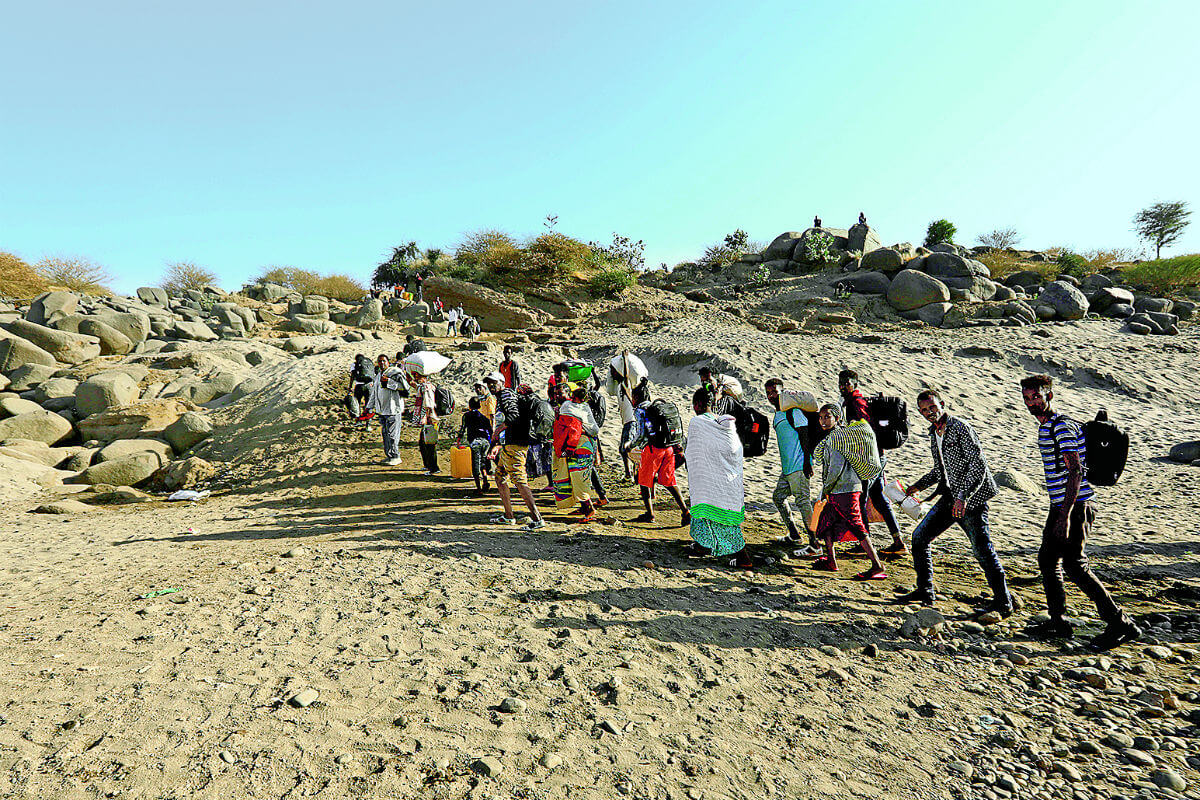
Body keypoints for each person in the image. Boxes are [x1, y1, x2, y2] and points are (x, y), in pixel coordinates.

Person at [1019, 375, 1141, 650]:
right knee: (1048, 560)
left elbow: (1075, 470)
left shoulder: (1061, 427)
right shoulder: (1047, 427)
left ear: (1049, 396)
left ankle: (1121, 624)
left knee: (1075, 564)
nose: (1032, 403)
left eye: (1037, 397)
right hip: (1062, 505)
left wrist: (1064, 516)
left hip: (1074, 506)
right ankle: (1058, 621)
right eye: (1027, 398)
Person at [894, 389, 1014, 616]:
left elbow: (977, 467)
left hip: (972, 499)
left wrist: (963, 497)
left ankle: (1003, 602)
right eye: (924, 410)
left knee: (983, 551)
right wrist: (918, 486)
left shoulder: (960, 428)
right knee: (919, 538)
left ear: (942, 403)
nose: (930, 413)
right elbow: (940, 470)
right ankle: (925, 591)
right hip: (951, 497)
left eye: (932, 407)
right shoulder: (934, 433)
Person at [810, 404, 888, 579]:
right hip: (844, 489)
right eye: (821, 417)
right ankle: (831, 561)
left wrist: (826, 489)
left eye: (827, 417)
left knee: (857, 526)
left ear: (837, 418)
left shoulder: (836, 439)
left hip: (843, 490)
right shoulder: (843, 437)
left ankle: (877, 565)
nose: (823, 421)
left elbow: (835, 468)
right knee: (826, 522)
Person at [839, 369, 906, 556]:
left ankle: (864, 543)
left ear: (855, 384)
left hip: (869, 459)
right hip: (878, 456)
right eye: (841, 383)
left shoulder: (856, 403)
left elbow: (866, 430)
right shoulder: (855, 402)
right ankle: (898, 541)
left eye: (847, 383)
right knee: (879, 498)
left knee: (861, 499)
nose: (843, 386)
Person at [685, 388, 752, 569]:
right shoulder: (721, 424)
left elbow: (694, 452)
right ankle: (702, 546)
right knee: (706, 515)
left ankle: (742, 557)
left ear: (697, 404)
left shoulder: (697, 422)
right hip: (728, 480)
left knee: (721, 519)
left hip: (711, 482)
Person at [484, 371, 545, 530]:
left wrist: (497, 432)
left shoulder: (505, 395)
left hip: (516, 445)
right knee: (499, 476)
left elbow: (514, 416)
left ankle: (537, 518)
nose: (490, 386)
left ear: (501, 382)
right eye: (488, 383)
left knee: (519, 480)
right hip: (511, 445)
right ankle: (509, 516)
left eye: (493, 382)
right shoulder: (506, 395)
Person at [765, 379, 819, 556]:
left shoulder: (793, 411)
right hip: (787, 469)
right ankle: (794, 535)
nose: (772, 396)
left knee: (803, 502)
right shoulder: (778, 414)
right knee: (778, 497)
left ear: (783, 392)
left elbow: (804, 435)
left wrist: (806, 462)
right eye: (769, 393)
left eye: (774, 392)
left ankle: (815, 545)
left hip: (798, 466)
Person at [629, 382, 690, 526]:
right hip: (668, 448)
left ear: (636, 397)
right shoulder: (657, 407)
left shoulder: (640, 410)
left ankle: (650, 514)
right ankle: (685, 511)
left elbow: (641, 434)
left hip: (653, 450)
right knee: (669, 481)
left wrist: (631, 446)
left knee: (644, 481)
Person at [553, 386, 602, 522]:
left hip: (578, 445)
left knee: (578, 478)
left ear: (570, 395)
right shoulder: (582, 407)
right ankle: (584, 507)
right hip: (584, 444)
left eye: (560, 394)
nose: (557, 396)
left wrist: (569, 447)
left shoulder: (567, 407)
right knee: (577, 477)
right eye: (555, 394)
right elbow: (593, 429)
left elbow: (574, 428)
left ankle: (589, 508)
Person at [371, 354, 410, 467]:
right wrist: (369, 407)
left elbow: (405, 387)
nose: (382, 363)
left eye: (384, 361)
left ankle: (396, 456)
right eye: (380, 361)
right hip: (382, 411)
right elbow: (374, 392)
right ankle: (389, 455)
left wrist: (388, 382)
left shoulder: (395, 373)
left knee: (393, 435)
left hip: (393, 409)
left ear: (388, 362)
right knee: (385, 434)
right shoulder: (378, 375)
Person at [456, 396, 493, 493]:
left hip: (475, 442)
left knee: (476, 464)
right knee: (483, 462)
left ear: (469, 406)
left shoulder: (466, 416)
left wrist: (459, 440)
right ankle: (485, 481)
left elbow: (463, 429)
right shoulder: (484, 418)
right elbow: (490, 431)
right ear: (480, 406)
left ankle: (479, 489)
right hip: (485, 442)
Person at [410, 372, 441, 474]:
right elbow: (413, 384)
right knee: (424, 443)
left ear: (425, 377)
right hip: (429, 419)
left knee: (429, 444)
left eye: (418, 376)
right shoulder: (424, 386)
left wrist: (425, 419)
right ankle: (429, 465)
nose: (416, 378)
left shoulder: (426, 387)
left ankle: (433, 468)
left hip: (429, 419)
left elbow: (428, 405)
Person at [347, 354, 376, 423]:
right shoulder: (369, 363)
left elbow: (352, 376)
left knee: (357, 404)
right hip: (370, 386)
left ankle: (358, 422)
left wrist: (350, 386)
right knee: (368, 405)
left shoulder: (354, 364)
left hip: (359, 385)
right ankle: (368, 424)